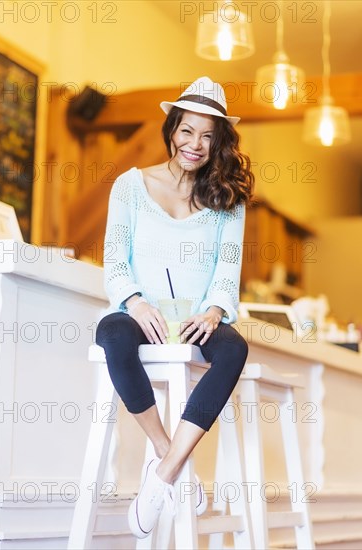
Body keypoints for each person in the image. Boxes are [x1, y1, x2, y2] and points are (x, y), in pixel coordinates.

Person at [95, 76, 254, 538]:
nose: (195, 144)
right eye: (187, 131)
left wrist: (214, 312)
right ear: (172, 130)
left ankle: (162, 475)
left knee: (233, 349)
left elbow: (228, 269)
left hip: (195, 319)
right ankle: (172, 455)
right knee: (112, 333)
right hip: (147, 315)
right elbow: (115, 259)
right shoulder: (130, 185)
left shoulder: (228, 199)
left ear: (218, 141)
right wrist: (134, 300)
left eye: (208, 135)